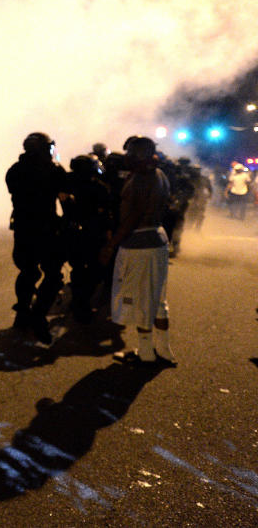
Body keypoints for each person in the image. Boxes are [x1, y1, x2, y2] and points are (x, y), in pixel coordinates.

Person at [100, 136, 175, 365]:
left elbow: (133, 216)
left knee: (143, 299)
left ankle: (145, 354)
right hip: (156, 238)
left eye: (130, 153)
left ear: (139, 155)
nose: (126, 157)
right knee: (157, 300)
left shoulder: (143, 177)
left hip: (140, 243)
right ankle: (163, 350)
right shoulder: (159, 173)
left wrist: (111, 246)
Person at [5, 132, 69, 344]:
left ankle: (22, 312)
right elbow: (64, 199)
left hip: (23, 228)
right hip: (47, 229)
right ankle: (38, 315)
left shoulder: (14, 170)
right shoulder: (54, 170)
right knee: (52, 275)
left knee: (27, 271)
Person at [63, 155, 113, 323]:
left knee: (77, 269)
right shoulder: (99, 188)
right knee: (94, 270)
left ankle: (78, 302)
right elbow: (106, 215)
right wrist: (108, 238)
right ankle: (81, 303)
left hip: (72, 233)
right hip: (92, 234)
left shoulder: (68, 184)